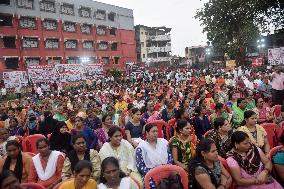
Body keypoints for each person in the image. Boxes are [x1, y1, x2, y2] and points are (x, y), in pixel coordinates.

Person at [135, 123, 173, 188]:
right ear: (147, 133)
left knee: (174, 181)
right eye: (153, 131)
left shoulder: (164, 142)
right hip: (150, 174)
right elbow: (140, 166)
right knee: (153, 184)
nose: (156, 133)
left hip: (166, 170)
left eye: (157, 131)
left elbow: (170, 158)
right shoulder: (141, 147)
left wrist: (165, 170)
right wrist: (155, 172)